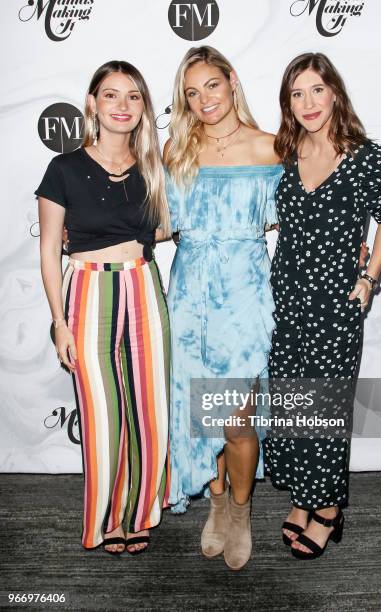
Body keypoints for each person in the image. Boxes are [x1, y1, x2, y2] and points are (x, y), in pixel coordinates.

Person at [265, 52, 381, 559]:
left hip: (335, 303)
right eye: (296, 94)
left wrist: (369, 279)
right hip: (286, 298)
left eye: (316, 90)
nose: (308, 103)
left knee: (323, 406)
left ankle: (327, 508)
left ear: (335, 93)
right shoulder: (282, 154)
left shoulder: (369, 158)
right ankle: (303, 496)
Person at [36, 60, 171, 555]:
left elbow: (163, 228)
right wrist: (59, 322)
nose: (122, 105)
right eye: (110, 95)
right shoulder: (64, 168)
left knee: (149, 413)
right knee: (102, 417)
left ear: (143, 108)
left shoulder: (155, 168)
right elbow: (50, 248)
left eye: (133, 96)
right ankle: (107, 518)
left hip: (143, 288)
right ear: (92, 103)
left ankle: (139, 514)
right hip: (87, 293)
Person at [164, 46, 282, 570]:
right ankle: (214, 502)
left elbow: (301, 215)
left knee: (236, 420)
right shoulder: (177, 149)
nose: (204, 99)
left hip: (243, 293)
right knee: (200, 415)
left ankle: (240, 510)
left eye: (212, 84)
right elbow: (163, 224)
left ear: (232, 81)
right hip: (189, 293)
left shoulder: (271, 147)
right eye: (192, 92)